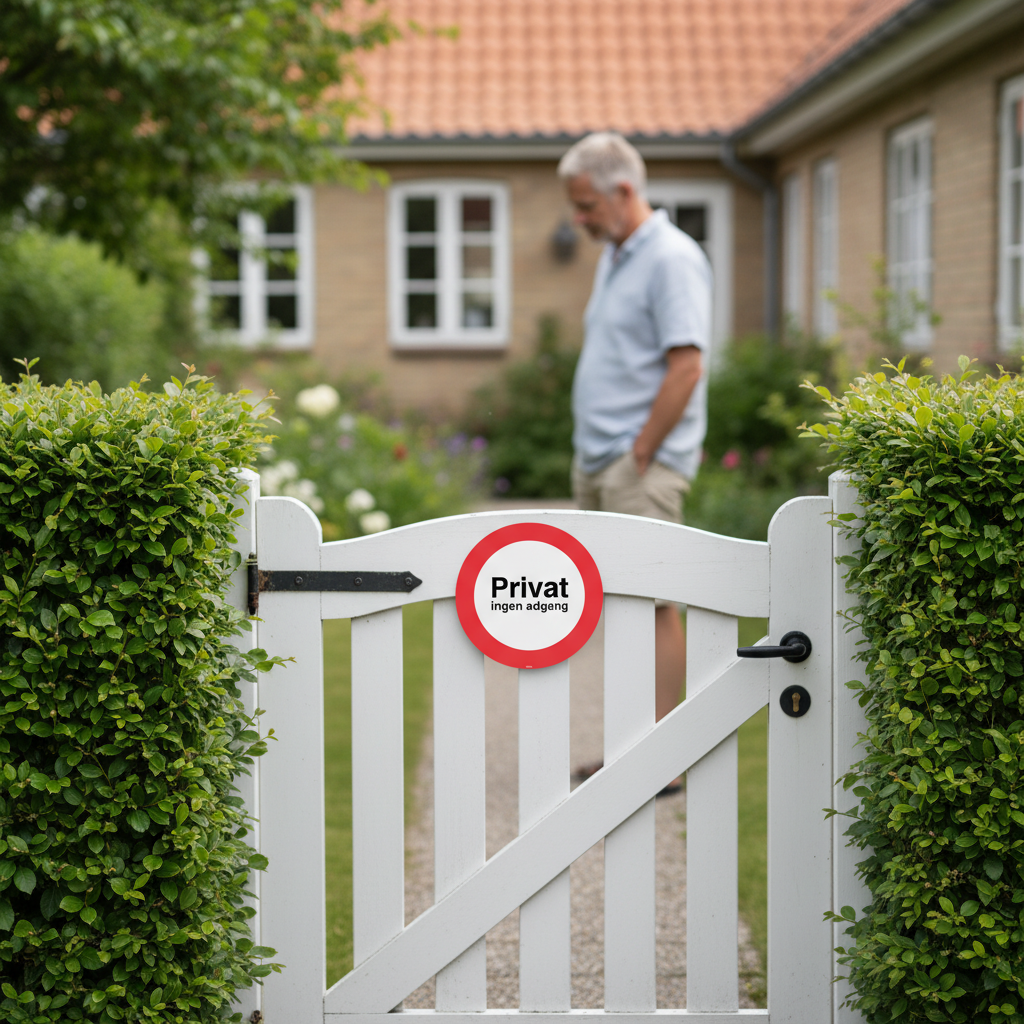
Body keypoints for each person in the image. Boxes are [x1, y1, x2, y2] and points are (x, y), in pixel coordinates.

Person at [558, 132, 710, 785]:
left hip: (638, 465)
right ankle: (629, 750)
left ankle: (661, 763)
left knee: (652, 605)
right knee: (614, 606)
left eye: (586, 205)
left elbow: (688, 365)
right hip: (601, 459)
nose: (579, 219)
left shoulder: (672, 258)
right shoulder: (618, 255)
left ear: (624, 191)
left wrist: (640, 453)